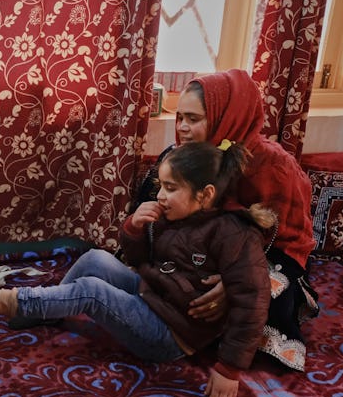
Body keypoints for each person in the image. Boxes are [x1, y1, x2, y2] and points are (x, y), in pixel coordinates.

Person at [0, 141, 273, 397]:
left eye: (171, 188)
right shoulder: (176, 215)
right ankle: (48, 309)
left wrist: (229, 368)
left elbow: (253, 301)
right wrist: (134, 228)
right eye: (161, 185)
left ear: (205, 195)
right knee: (95, 259)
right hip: (152, 296)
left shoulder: (234, 234)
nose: (160, 195)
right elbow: (142, 262)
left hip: (169, 335)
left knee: (91, 290)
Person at [133, 69, 318, 371]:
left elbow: (293, 242)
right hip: (196, 251)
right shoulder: (180, 156)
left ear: (227, 116)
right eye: (179, 117)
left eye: (193, 119)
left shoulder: (274, 166)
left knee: (261, 297)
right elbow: (150, 214)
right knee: (154, 271)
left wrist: (236, 281)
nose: (182, 128)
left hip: (264, 259)